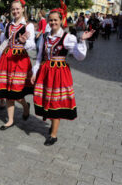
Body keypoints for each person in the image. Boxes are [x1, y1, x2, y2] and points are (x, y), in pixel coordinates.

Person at [31, 9, 95, 146]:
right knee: (47, 100)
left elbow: (79, 56)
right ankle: (53, 126)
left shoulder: (67, 38)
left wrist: (82, 40)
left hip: (59, 74)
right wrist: (35, 71)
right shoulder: (46, 36)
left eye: (56, 20)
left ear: (61, 21)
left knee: (56, 102)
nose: (53, 22)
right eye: (51, 20)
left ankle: (53, 135)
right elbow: (39, 56)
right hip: (46, 72)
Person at [0, 0, 35, 130]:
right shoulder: (8, 25)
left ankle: (25, 106)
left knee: (17, 93)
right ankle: (10, 120)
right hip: (7, 59)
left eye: (17, 9)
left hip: (19, 60)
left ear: (23, 9)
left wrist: (24, 42)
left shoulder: (27, 25)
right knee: (8, 91)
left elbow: (32, 45)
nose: (15, 11)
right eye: (13, 9)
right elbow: (4, 42)